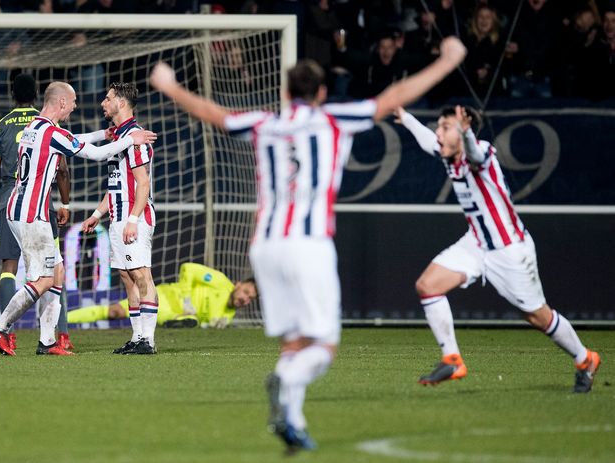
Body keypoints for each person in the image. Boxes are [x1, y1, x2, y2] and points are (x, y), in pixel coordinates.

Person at [149, 36, 467, 452]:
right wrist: (446, 62)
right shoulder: (335, 119)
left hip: (265, 246)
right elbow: (393, 96)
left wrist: (170, 86)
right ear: (321, 92)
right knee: (324, 346)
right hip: (310, 243)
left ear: (285, 93)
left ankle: (294, 423)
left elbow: (216, 115)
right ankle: (288, 381)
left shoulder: (265, 123)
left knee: (293, 342)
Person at [394, 105, 601, 393]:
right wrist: (405, 117)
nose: (438, 133)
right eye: (439, 127)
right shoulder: (448, 154)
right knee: (427, 286)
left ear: (463, 131)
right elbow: (429, 140)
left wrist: (465, 133)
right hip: (476, 242)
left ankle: (585, 358)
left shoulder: (482, 152)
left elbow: (475, 155)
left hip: (509, 249)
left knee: (538, 316)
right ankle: (452, 359)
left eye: (445, 127)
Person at [0, 81, 156, 356]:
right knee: (42, 280)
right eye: (73, 102)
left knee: (59, 273)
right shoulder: (51, 132)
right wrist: (128, 139)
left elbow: (73, 139)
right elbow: (97, 154)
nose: (76, 106)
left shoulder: (34, 128)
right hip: (32, 214)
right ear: (62, 103)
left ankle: (48, 341)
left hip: (18, 207)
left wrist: (104, 132)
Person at [0, 73, 74, 352]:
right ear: (37, 95)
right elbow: (61, 168)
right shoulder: (45, 123)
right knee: (53, 270)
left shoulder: (0, 126)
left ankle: (11, 334)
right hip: (41, 203)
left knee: (10, 269)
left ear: (12, 94)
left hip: (10, 201)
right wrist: (65, 202)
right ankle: (60, 334)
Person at [79, 82, 159, 355]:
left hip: (133, 216)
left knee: (141, 274)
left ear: (121, 103)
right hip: (117, 216)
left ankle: (148, 340)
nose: (103, 102)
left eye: (108, 98)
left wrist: (133, 219)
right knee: (126, 276)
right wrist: (96, 214)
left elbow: (142, 184)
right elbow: (116, 183)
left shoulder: (136, 136)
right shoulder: (119, 138)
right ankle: (137, 337)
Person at [67, 262, 258, 329]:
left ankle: (177, 324)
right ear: (239, 285)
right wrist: (185, 295)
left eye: (250, 299)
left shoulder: (228, 316)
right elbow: (188, 269)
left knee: (190, 320)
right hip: (165, 297)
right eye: (247, 292)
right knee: (115, 312)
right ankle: (63, 320)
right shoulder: (220, 281)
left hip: (174, 316)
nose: (245, 299)